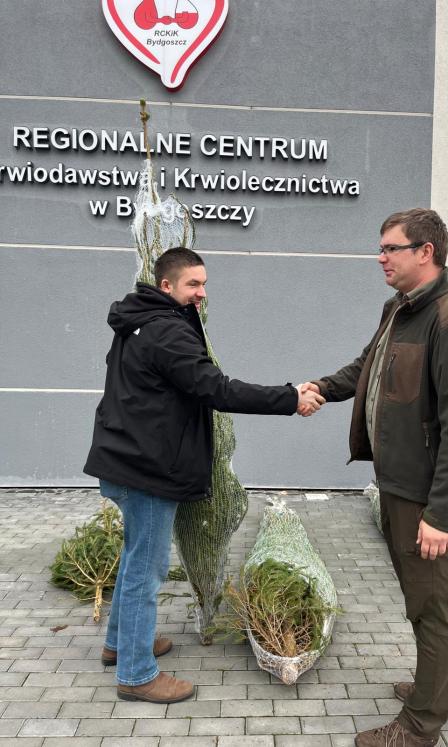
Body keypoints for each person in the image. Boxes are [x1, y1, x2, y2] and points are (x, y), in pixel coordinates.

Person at [84, 247, 324, 704]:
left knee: (136, 559)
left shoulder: (137, 321)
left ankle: (120, 645)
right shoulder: (166, 331)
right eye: (193, 284)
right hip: (147, 468)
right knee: (146, 570)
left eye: (204, 283)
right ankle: (136, 674)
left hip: (124, 458)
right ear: (166, 285)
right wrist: (290, 398)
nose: (202, 293)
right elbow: (216, 389)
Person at [302, 209, 448, 747]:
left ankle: (418, 726)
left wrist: (442, 513)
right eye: (381, 247)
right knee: (428, 600)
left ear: (425, 252)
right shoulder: (400, 310)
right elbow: (368, 367)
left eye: (391, 248)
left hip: (427, 497)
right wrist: (319, 388)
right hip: (398, 486)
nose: (380, 257)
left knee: (430, 608)